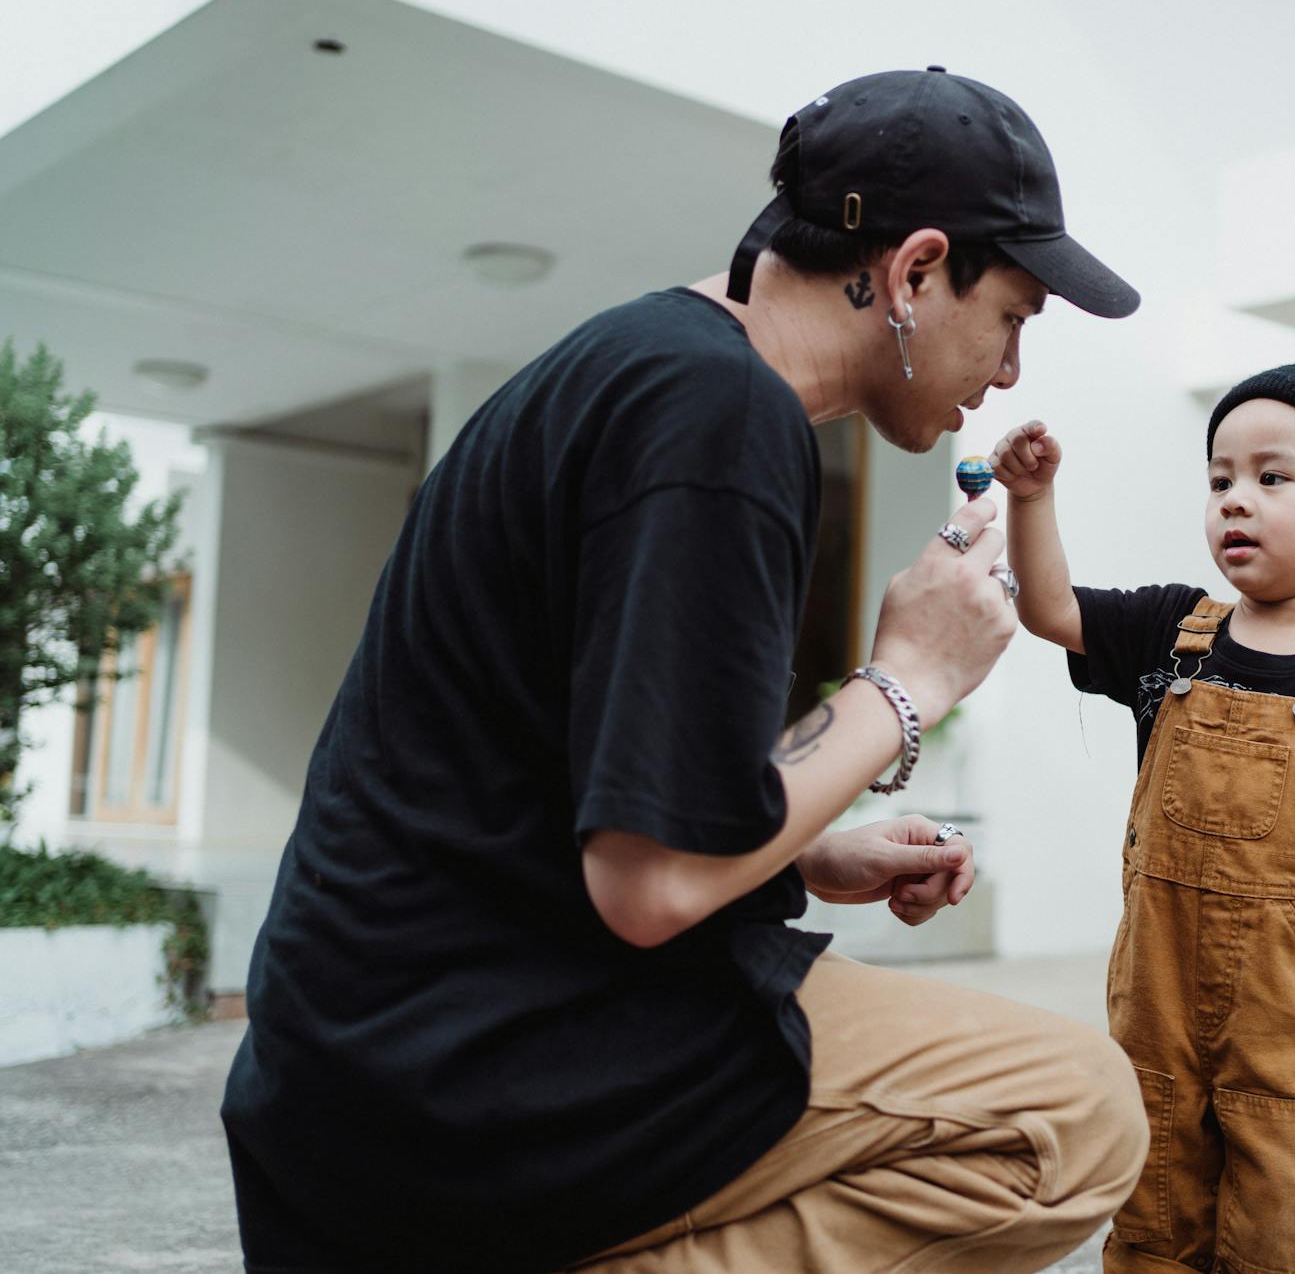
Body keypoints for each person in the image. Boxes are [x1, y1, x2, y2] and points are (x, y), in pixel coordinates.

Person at [220, 68, 1149, 1274]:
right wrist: (911, 678)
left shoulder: (648, 365)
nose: (1012, 368)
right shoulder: (719, 415)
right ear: (917, 272)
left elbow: (570, 770)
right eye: (1015, 315)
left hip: (373, 1059)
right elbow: (653, 882)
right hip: (477, 1074)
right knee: (1069, 1116)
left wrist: (806, 848)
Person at [990, 365, 1295, 1272]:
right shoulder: (1172, 633)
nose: (1236, 500)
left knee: (1290, 1209)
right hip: (1159, 994)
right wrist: (1031, 499)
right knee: (1156, 1199)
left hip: (1292, 1018)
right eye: (1220, 480)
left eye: (1272, 479)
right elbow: (1049, 610)